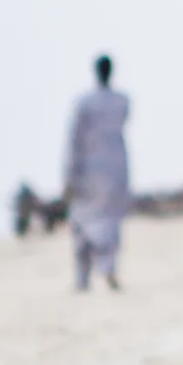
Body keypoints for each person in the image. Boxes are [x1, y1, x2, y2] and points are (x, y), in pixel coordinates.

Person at [63, 54, 131, 291]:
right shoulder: (122, 101)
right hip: (114, 168)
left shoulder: (85, 103)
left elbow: (74, 140)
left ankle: (85, 277)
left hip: (88, 168)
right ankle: (106, 268)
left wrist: (69, 175)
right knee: (108, 223)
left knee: (83, 222)